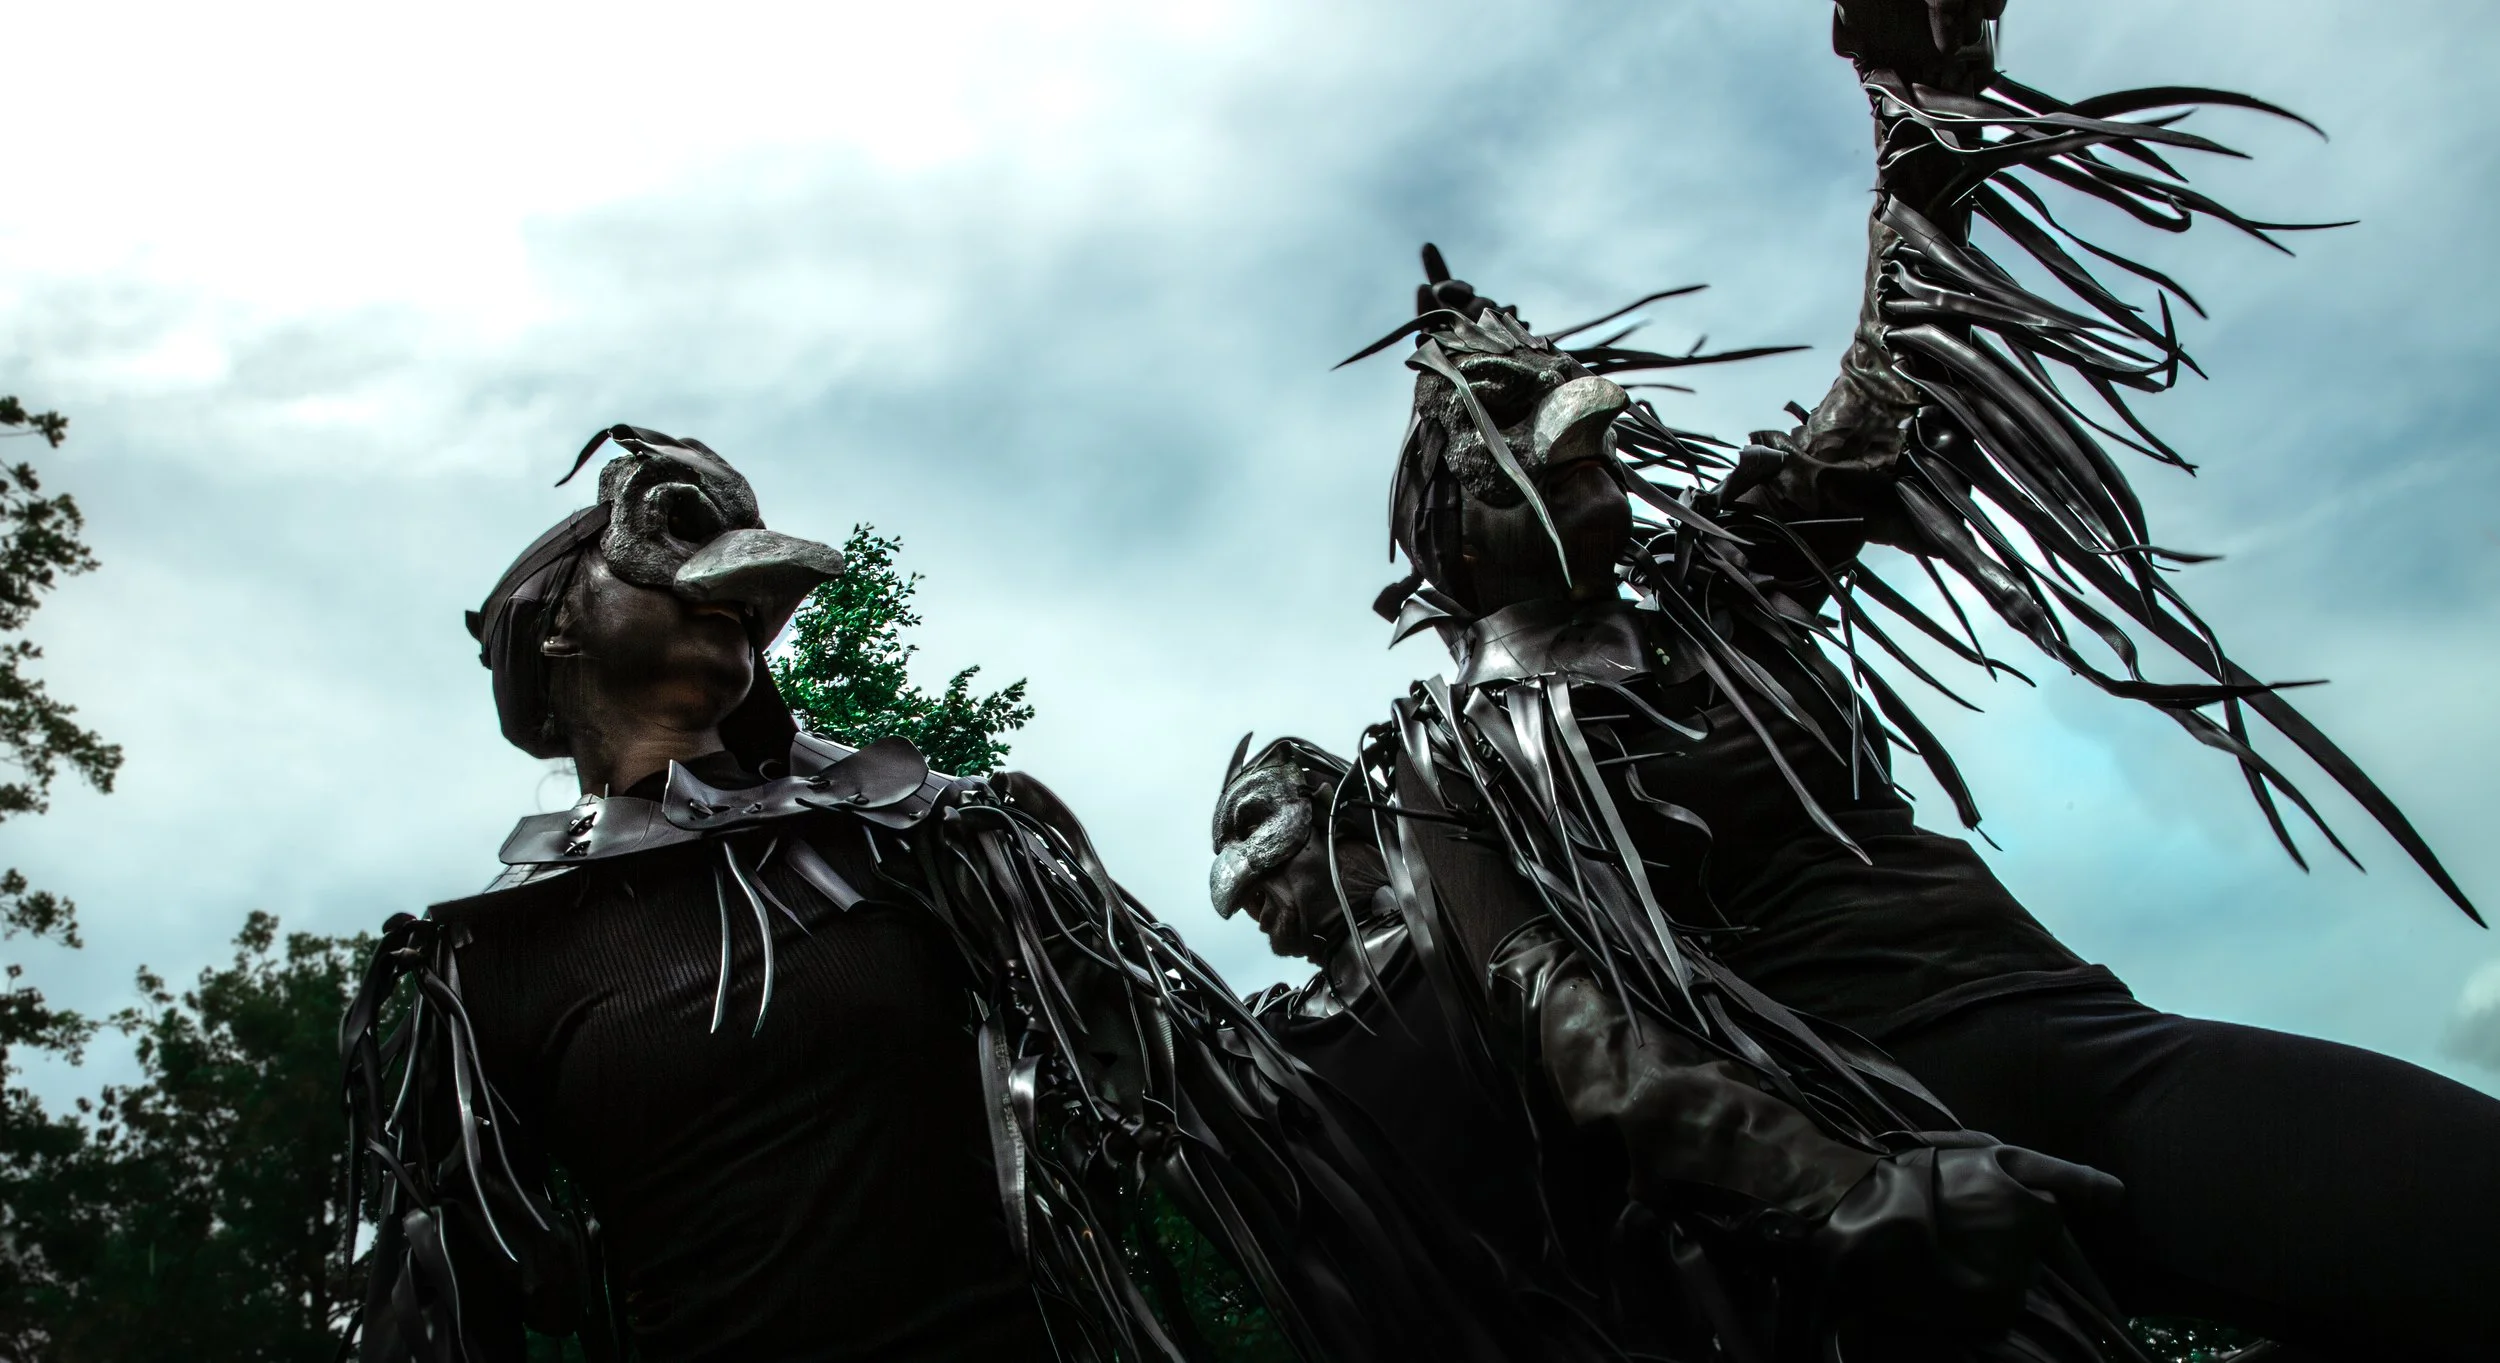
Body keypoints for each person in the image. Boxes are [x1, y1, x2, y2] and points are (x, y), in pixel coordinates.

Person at [1317, 3, 2500, 1359]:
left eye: (1571, 404)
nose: (1581, 435)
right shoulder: (1448, 761)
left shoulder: (1724, 583)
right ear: (1448, 521)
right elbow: (1575, 1026)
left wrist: (1914, 115)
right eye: (1517, 429)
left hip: (2081, 1035)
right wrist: (1854, 1190)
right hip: (1885, 1136)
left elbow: (1887, 392)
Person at [337, 426, 1579, 1363]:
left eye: (746, 599)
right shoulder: (479, 963)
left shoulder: (926, 841)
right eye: (669, 538)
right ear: (553, 623)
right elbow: (440, 1308)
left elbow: (1227, 1119)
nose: (738, 610)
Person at [1214, 736, 2146, 1363]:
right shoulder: (1271, 1039)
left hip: (1706, 1298)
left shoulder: (1468, 895)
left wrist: (1846, 1190)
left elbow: (1610, 1052)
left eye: (1258, 832)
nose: (1242, 887)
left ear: (1336, 809)